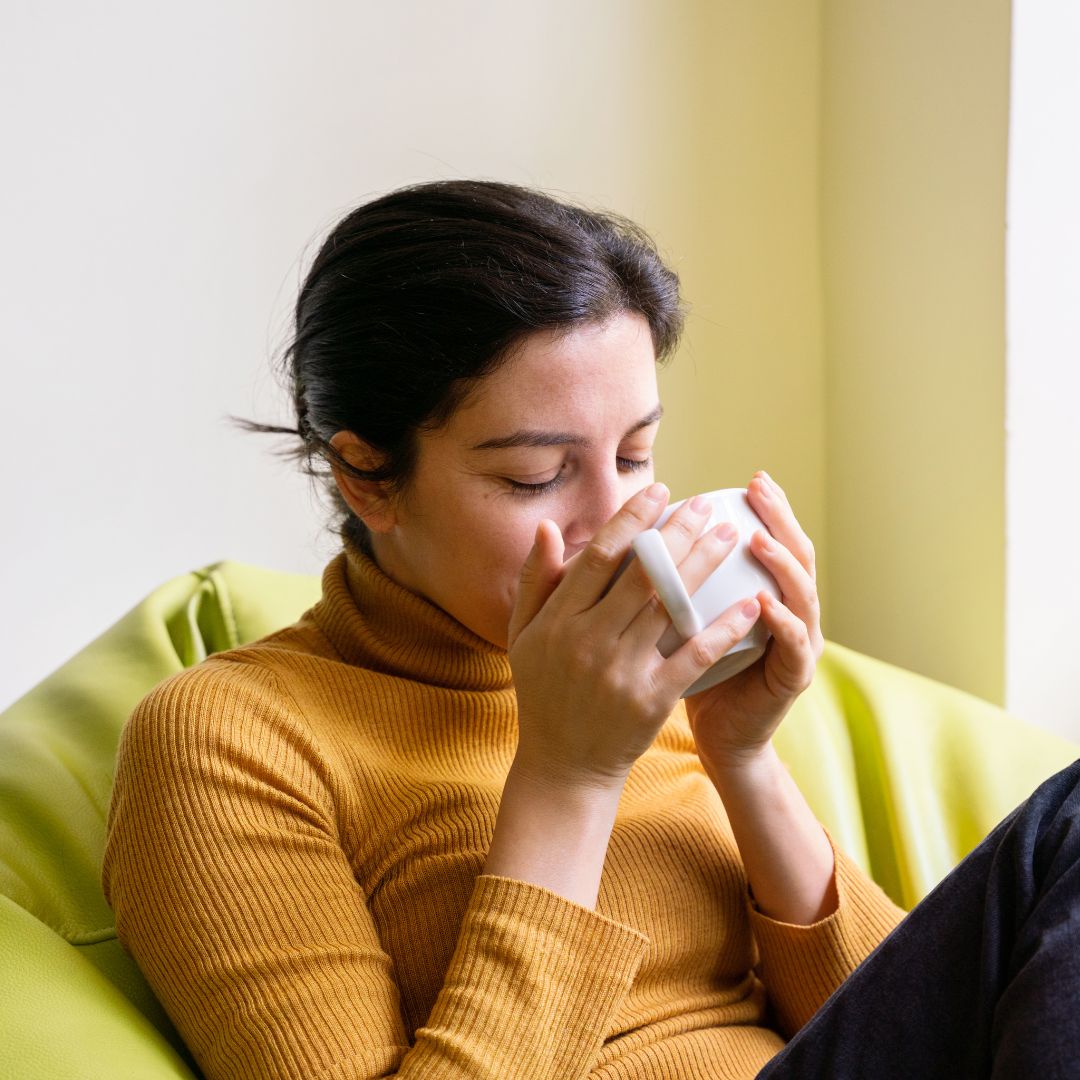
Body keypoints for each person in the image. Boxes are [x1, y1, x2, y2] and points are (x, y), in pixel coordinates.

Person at [102, 180, 1080, 1080]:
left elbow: (913, 1041)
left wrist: (741, 759)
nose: (619, 523)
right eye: (535, 476)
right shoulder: (230, 737)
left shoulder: (649, 681)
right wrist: (569, 776)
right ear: (368, 477)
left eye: (636, 454)